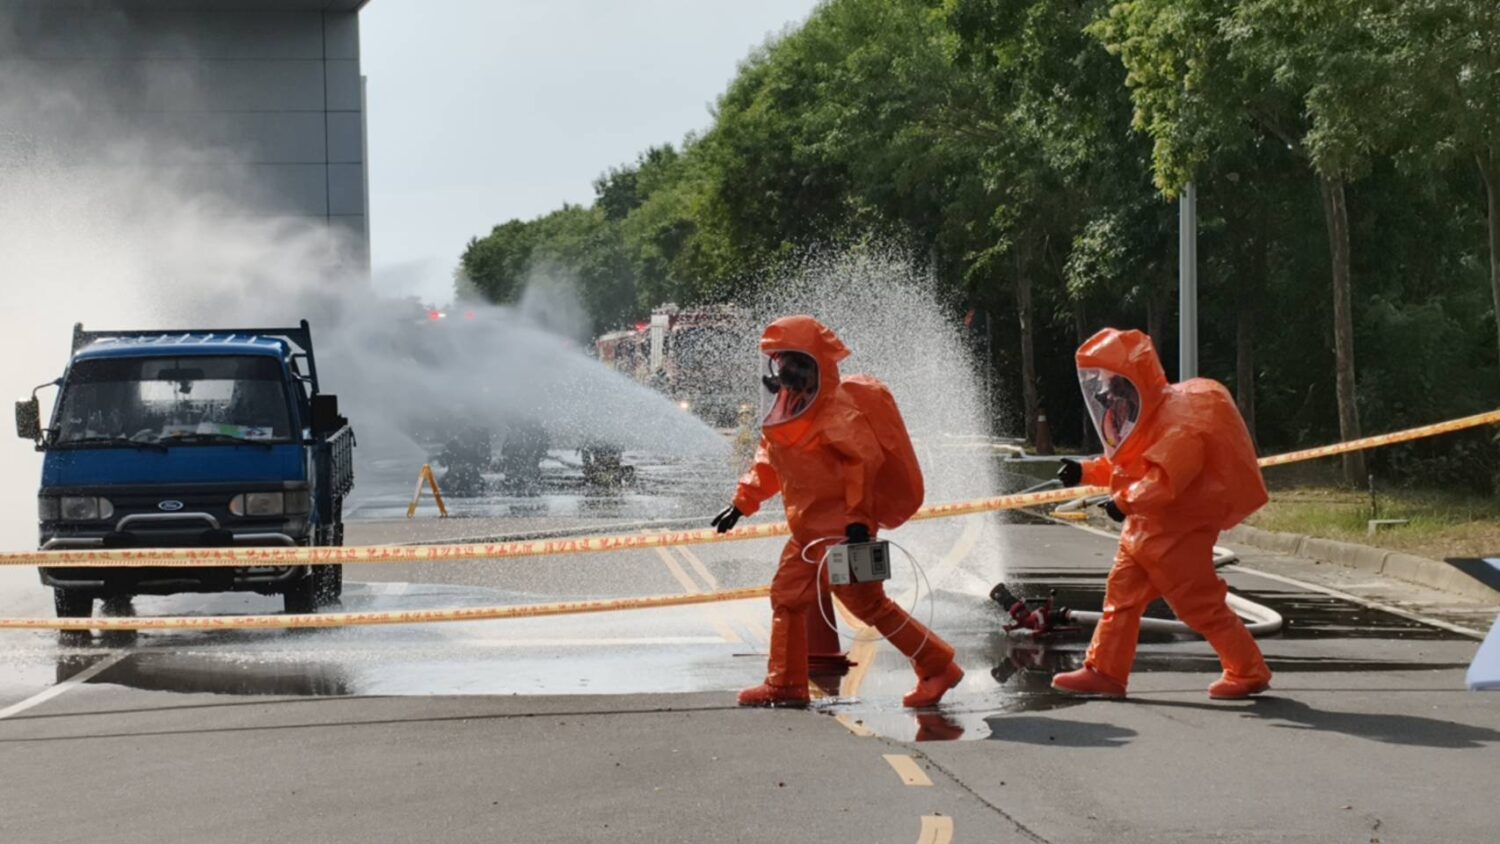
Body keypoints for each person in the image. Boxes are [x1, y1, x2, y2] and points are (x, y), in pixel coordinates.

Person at [712, 315, 964, 708]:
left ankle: (937, 665)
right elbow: (769, 463)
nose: (787, 373)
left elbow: (861, 466)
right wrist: (740, 504)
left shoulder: (837, 411)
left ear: (815, 364)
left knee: (867, 604)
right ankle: (784, 684)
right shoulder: (788, 411)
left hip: (841, 532)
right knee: (788, 596)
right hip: (808, 532)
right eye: (782, 364)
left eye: (796, 364)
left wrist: (859, 524)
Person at [1052, 328, 1273, 700]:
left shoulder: (1180, 420)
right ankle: (1104, 671)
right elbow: (1125, 465)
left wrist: (1125, 503)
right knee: (1120, 598)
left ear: (1133, 379)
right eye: (1103, 384)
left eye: (1113, 382)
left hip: (1178, 535)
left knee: (1199, 606)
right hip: (1144, 534)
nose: (1106, 392)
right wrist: (1084, 471)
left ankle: (1248, 670)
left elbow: (1164, 480)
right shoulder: (1138, 417)